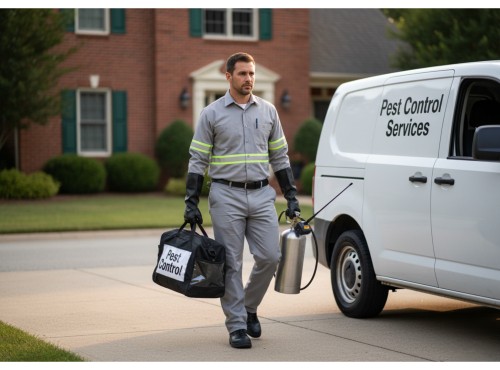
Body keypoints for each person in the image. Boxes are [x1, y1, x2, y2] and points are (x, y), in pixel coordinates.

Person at [184, 52, 300, 349]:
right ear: (228, 77)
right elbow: (198, 159)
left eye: (251, 74)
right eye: (242, 74)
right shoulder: (211, 114)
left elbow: (280, 157)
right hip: (226, 195)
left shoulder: (269, 111)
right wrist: (191, 200)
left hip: (262, 195)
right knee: (232, 263)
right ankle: (236, 325)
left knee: (270, 257)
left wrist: (290, 196)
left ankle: (248, 307)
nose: (248, 79)